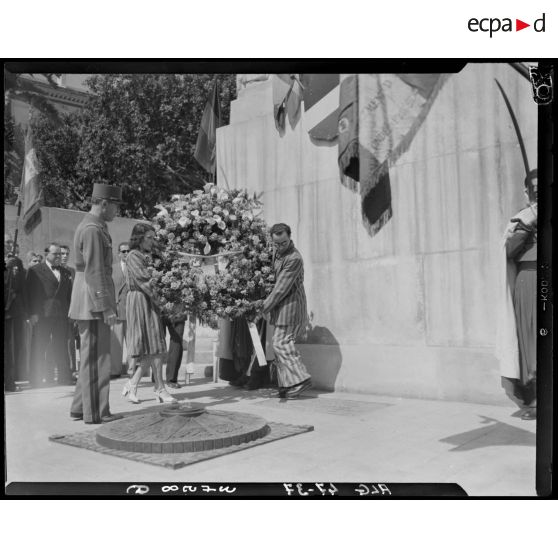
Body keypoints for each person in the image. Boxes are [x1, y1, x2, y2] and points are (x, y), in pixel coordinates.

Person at [68, 183, 123, 424]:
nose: (116, 211)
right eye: (115, 206)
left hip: (89, 297)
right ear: (103, 203)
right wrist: (106, 306)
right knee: (96, 359)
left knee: (93, 356)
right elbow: (94, 271)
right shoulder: (92, 229)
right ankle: (96, 412)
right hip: (92, 300)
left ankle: (80, 407)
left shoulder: (96, 226)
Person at [499, 171, 538, 420]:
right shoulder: (521, 219)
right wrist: (527, 225)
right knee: (531, 339)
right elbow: (509, 251)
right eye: (534, 188)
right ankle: (534, 400)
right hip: (529, 280)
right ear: (527, 193)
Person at [122, 223, 175, 404]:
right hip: (141, 301)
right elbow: (145, 281)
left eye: (154, 238)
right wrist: (163, 301)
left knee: (153, 347)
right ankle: (159, 388)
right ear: (139, 238)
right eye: (149, 238)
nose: (152, 242)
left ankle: (135, 384)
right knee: (153, 346)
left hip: (147, 300)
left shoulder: (145, 255)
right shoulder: (133, 256)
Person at [260, 223, 312, 399]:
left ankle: (300, 380)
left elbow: (280, 289)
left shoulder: (294, 258)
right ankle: (286, 385)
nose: (280, 246)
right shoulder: (276, 252)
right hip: (281, 309)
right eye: (277, 243)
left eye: (283, 242)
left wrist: (262, 308)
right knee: (278, 344)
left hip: (291, 308)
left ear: (290, 237)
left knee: (282, 343)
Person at [26, 242, 73, 386]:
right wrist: (32, 313)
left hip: (61, 314)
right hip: (42, 314)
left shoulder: (65, 272)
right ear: (47, 254)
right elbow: (29, 293)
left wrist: (70, 313)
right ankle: (35, 379)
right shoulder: (36, 270)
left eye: (60, 253)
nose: (59, 256)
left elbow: (69, 295)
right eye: (56, 254)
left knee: (61, 346)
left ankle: (64, 378)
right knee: (40, 346)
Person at [110, 241, 136, 378]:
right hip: (117, 309)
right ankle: (114, 370)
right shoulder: (112, 268)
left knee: (132, 342)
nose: (126, 253)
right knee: (116, 343)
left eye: (128, 251)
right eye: (123, 251)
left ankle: (131, 370)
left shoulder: (136, 267)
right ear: (119, 253)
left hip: (132, 309)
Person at [4, 254, 27, 391]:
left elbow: (19, 286)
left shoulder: (14, 264)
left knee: (8, 350)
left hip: (9, 313)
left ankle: (10, 382)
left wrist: (12, 268)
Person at [60, 244, 78, 381]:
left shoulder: (72, 271)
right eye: (62, 253)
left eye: (67, 254)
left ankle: (72, 369)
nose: (65, 256)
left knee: (70, 341)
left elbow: (76, 292)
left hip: (71, 312)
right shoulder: (54, 270)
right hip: (57, 312)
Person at [163, 316, 186, 388]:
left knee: (157, 341)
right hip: (178, 311)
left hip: (160, 310)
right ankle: (171, 379)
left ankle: (157, 376)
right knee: (176, 343)